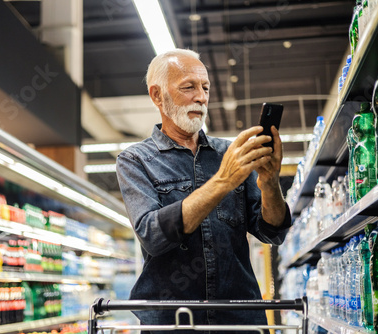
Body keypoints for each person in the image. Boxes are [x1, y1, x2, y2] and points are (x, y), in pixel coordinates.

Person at [115, 48, 292, 333]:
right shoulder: (135, 160)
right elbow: (153, 235)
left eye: (205, 87)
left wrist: (270, 182)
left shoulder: (230, 153)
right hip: (172, 323)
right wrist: (222, 181)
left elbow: (273, 232)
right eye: (188, 87)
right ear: (157, 95)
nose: (201, 96)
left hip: (239, 322)